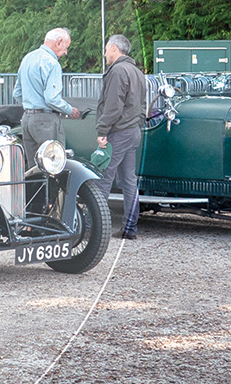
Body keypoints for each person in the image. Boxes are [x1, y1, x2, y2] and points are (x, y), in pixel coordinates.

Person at [94, 34, 149, 240]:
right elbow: (143, 105)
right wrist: (138, 123)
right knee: (129, 181)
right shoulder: (136, 71)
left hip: (118, 132)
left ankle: (95, 228)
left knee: (103, 177)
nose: (105, 52)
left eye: (107, 48)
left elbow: (113, 105)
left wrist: (102, 131)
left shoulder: (117, 71)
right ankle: (129, 227)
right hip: (133, 131)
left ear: (115, 48)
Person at [17, 28, 85, 168]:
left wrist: (31, 104)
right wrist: (69, 110)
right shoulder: (52, 63)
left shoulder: (27, 58)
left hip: (27, 119)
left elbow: (17, 93)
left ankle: (33, 191)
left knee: (33, 168)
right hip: (46, 122)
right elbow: (52, 99)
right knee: (52, 166)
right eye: (66, 47)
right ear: (59, 42)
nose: (66, 52)